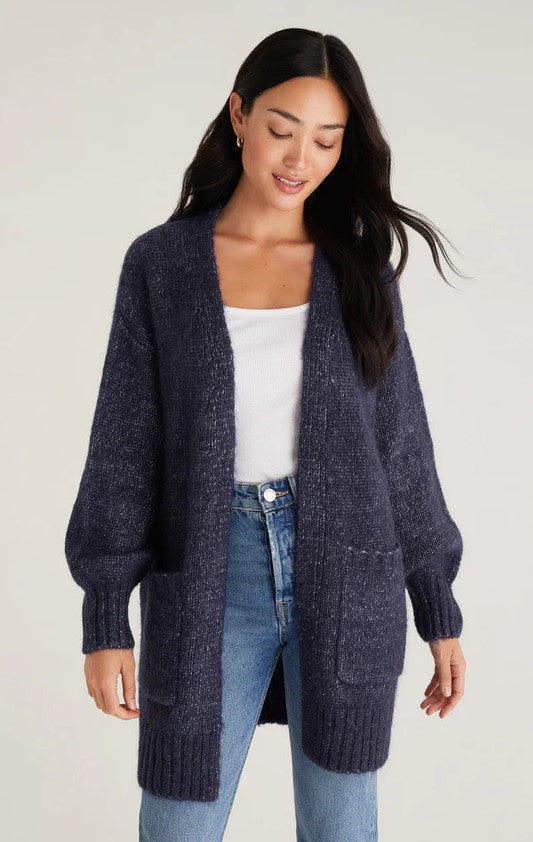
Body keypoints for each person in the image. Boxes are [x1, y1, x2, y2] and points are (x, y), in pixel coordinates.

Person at [64, 27, 467, 842]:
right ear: (239, 115)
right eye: (282, 129)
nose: (299, 158)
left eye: (326, 139)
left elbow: (400, 446)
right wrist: (105, 616)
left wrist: (437, 603)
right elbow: (123, 447)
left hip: (348, 574)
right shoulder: (163, 265)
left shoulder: (358, 269)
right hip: (211, 574)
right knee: (177, 825)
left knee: (340, 827)